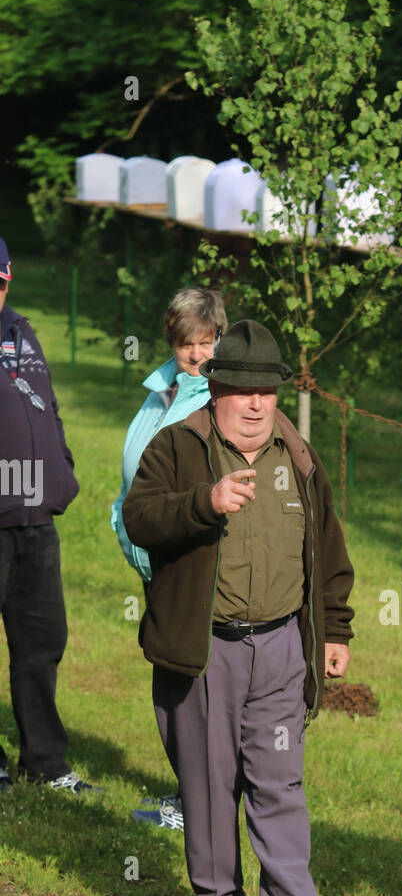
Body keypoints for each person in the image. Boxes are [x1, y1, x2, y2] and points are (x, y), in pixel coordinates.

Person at [123, 319, 355, 896]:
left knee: (279, 781)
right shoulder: (178, 447)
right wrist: (204, 502)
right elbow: (138, 517)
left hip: (281, 646)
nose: (257, 405)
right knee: (207, 781)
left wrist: (334, 628)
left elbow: (328, 548)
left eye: (268, 392)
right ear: (217, 388)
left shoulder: (298, 455)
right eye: (244, 391)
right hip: (205, 651)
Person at [111, 286, 227, 830]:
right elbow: (138, 470)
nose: (198, 355)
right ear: (173, 343)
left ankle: (198, 807)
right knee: (174, 685)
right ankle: (194, 796)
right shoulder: (162, 389)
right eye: (188, 343)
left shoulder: (210, 399)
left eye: (207, 342)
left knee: (191, 688)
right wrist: (122, 519)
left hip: (188, 562)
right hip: (155, 560)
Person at [0, 234, 101, 794]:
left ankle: (46, 763)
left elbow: (48, 406)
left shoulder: (23, 331)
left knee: (42, 644)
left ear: (8, 278)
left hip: (37, 520)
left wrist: (60, 467)